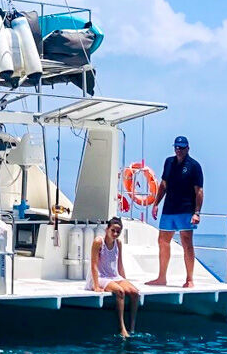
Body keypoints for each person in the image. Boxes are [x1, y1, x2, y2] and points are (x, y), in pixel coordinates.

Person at [146, 136, 204, 288]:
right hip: (169, 208)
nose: (179, 150)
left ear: (187, 148)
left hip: (186, 209)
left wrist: (197, 212)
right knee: (162, 241)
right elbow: (163, 185)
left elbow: (199, 191)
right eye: (177, 147)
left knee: (187, 243)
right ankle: (161, 277)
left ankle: (189, 279)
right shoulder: (169, 162)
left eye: (182, 147)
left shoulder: (194, 166)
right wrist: (156, 203)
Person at [87, 217, 140, 337]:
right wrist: (95, 286)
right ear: (107, 229)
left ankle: (132, 326)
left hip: (113, 275)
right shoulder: (98, 242)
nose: (115, 234)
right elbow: (93, 265)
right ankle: (122, 327)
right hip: (99, 276)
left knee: (135, 292)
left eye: (118, 232)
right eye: (113, 230)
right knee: (120, 291)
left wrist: (125, 280)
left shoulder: (118, 243)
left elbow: (119, 264)